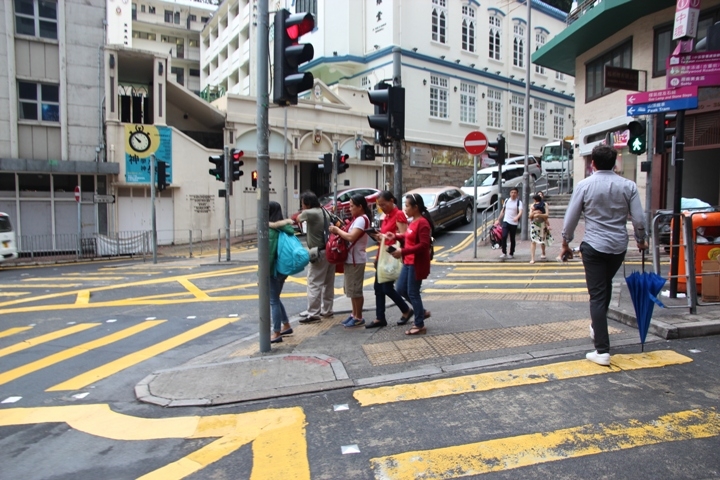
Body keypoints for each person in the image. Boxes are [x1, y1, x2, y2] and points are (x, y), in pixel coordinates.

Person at [561, 145, 647, 366]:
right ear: (615, 164)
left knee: (597, 296)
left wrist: (565, 242)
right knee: (605, 286)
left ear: (593, 164)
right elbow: (638, 218)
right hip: (618, 247)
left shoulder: (585, 185)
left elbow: (571, 218)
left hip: (594, 246)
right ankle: (596, 327)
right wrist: (641, 239)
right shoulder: (628, 186)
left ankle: (602, 350)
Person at [384, 193, 433, 335]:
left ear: (415, 207)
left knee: (413, 292)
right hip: (408, 261)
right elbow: (408, 235)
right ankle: (421, 312)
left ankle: (419, 324)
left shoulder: (423, 223)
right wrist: (396, 235)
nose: (404, 208)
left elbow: (424, 245)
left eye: (407, 205)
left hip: (416, 263)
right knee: (400, 289)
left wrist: (402, 251)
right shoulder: (413, 222)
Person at [366, 191, 412, 329]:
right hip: (383, 256)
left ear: (392, 201)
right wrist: (377, 255)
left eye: (384, 205)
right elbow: (385, 238)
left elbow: (404, 236)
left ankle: (406, 310)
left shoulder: (398, 214)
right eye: (380, 206)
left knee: (386, 287)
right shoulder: (386, 216)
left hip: (392, 256)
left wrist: (385, 236)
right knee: (378, 288)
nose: (382, 208)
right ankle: (380, 317)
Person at [293, 191, 335, 324]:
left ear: (307, 203)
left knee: (314, 283)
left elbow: (297, 218)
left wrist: (302, 212)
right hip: (329, 251)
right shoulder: (325, 211)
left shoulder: (309, 213)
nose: (302, 206)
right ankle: (327, 310)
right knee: (328, 283)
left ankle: (313, 313)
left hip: (317, 253)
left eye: (303, 203)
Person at [328, 194, 370, 328]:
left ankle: (359, 316)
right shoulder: (356, 219)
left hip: (356, 259)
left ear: (360, 207)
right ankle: (354, 314)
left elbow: (351, 237)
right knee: (351, 289)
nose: (350, 208)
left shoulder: (362, 220)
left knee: (356, 290)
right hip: (351, 258)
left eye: (352, 206)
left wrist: (337, 231)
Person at [268, 201, 296, 344]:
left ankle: (276, 332)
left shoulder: (271, 230)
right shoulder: (285, 228)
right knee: (276, 298)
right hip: (284, 268)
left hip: (274, 270)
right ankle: (286, 325)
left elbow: (269, 255)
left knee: (272, 300)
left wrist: (263, 274)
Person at [495, 187, 523, 259]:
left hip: (514, 223)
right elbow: (503, 211)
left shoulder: (519, 202)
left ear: (517, 194)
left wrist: (517, 217)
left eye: (515, 193)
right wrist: (498, 219)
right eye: (512, 192)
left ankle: (511, 253)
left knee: (512, 238)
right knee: (504, 236)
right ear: (510, 193)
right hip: (506, 221)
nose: (513, 194)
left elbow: (520, 212)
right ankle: (504, 252)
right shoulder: (506, 200)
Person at [529, 192, 553, 263]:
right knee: (533, 240)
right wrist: (533, 213)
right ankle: (532, 258)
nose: (539, 196)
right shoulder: (532, 205)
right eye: (538, 195)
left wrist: (539, 215)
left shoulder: (545, 204)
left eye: (541, 195)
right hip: (534, 224)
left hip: (542, 224)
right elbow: (530, 216)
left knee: (542, 240)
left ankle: (543, 252)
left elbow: (546, 215)